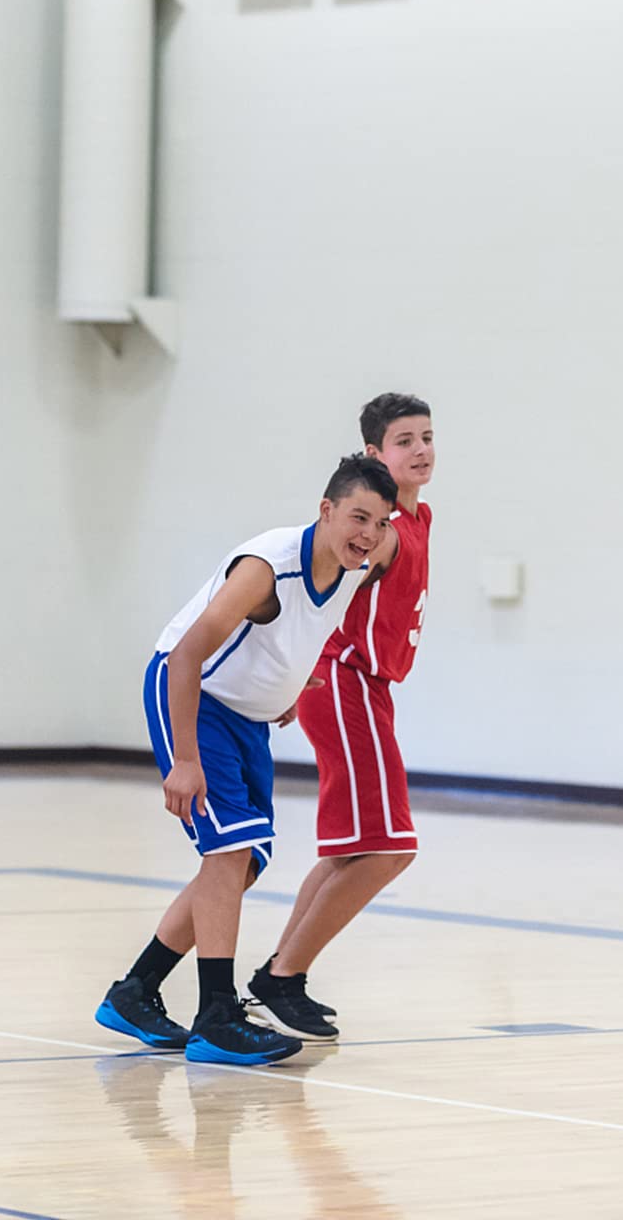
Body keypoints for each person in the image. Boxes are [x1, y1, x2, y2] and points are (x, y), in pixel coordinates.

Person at [94, 454, 399, 1065]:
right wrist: (185, 760)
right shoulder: (267, 570)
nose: (368, 533)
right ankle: (216, 1016)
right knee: (227, 852)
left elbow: (312, 625)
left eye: (379, 521)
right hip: (194, 696)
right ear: (326, 510)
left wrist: (289, 686)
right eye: (357, 517)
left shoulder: (364, 559)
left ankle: (135, 991)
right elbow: (184, 657)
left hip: (249, 716)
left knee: (244, 862)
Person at [249, 393, 435, 1040]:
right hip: (343, 678)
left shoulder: (419, 518)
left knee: (352, 851)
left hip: (367, 684)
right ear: (372, 454)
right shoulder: (380, 534)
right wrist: (295, 671)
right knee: (390, 850)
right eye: (404, 440)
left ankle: (282, 974)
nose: (420, 450)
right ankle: (281, 978)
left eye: (427, 437)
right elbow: (319, 587)